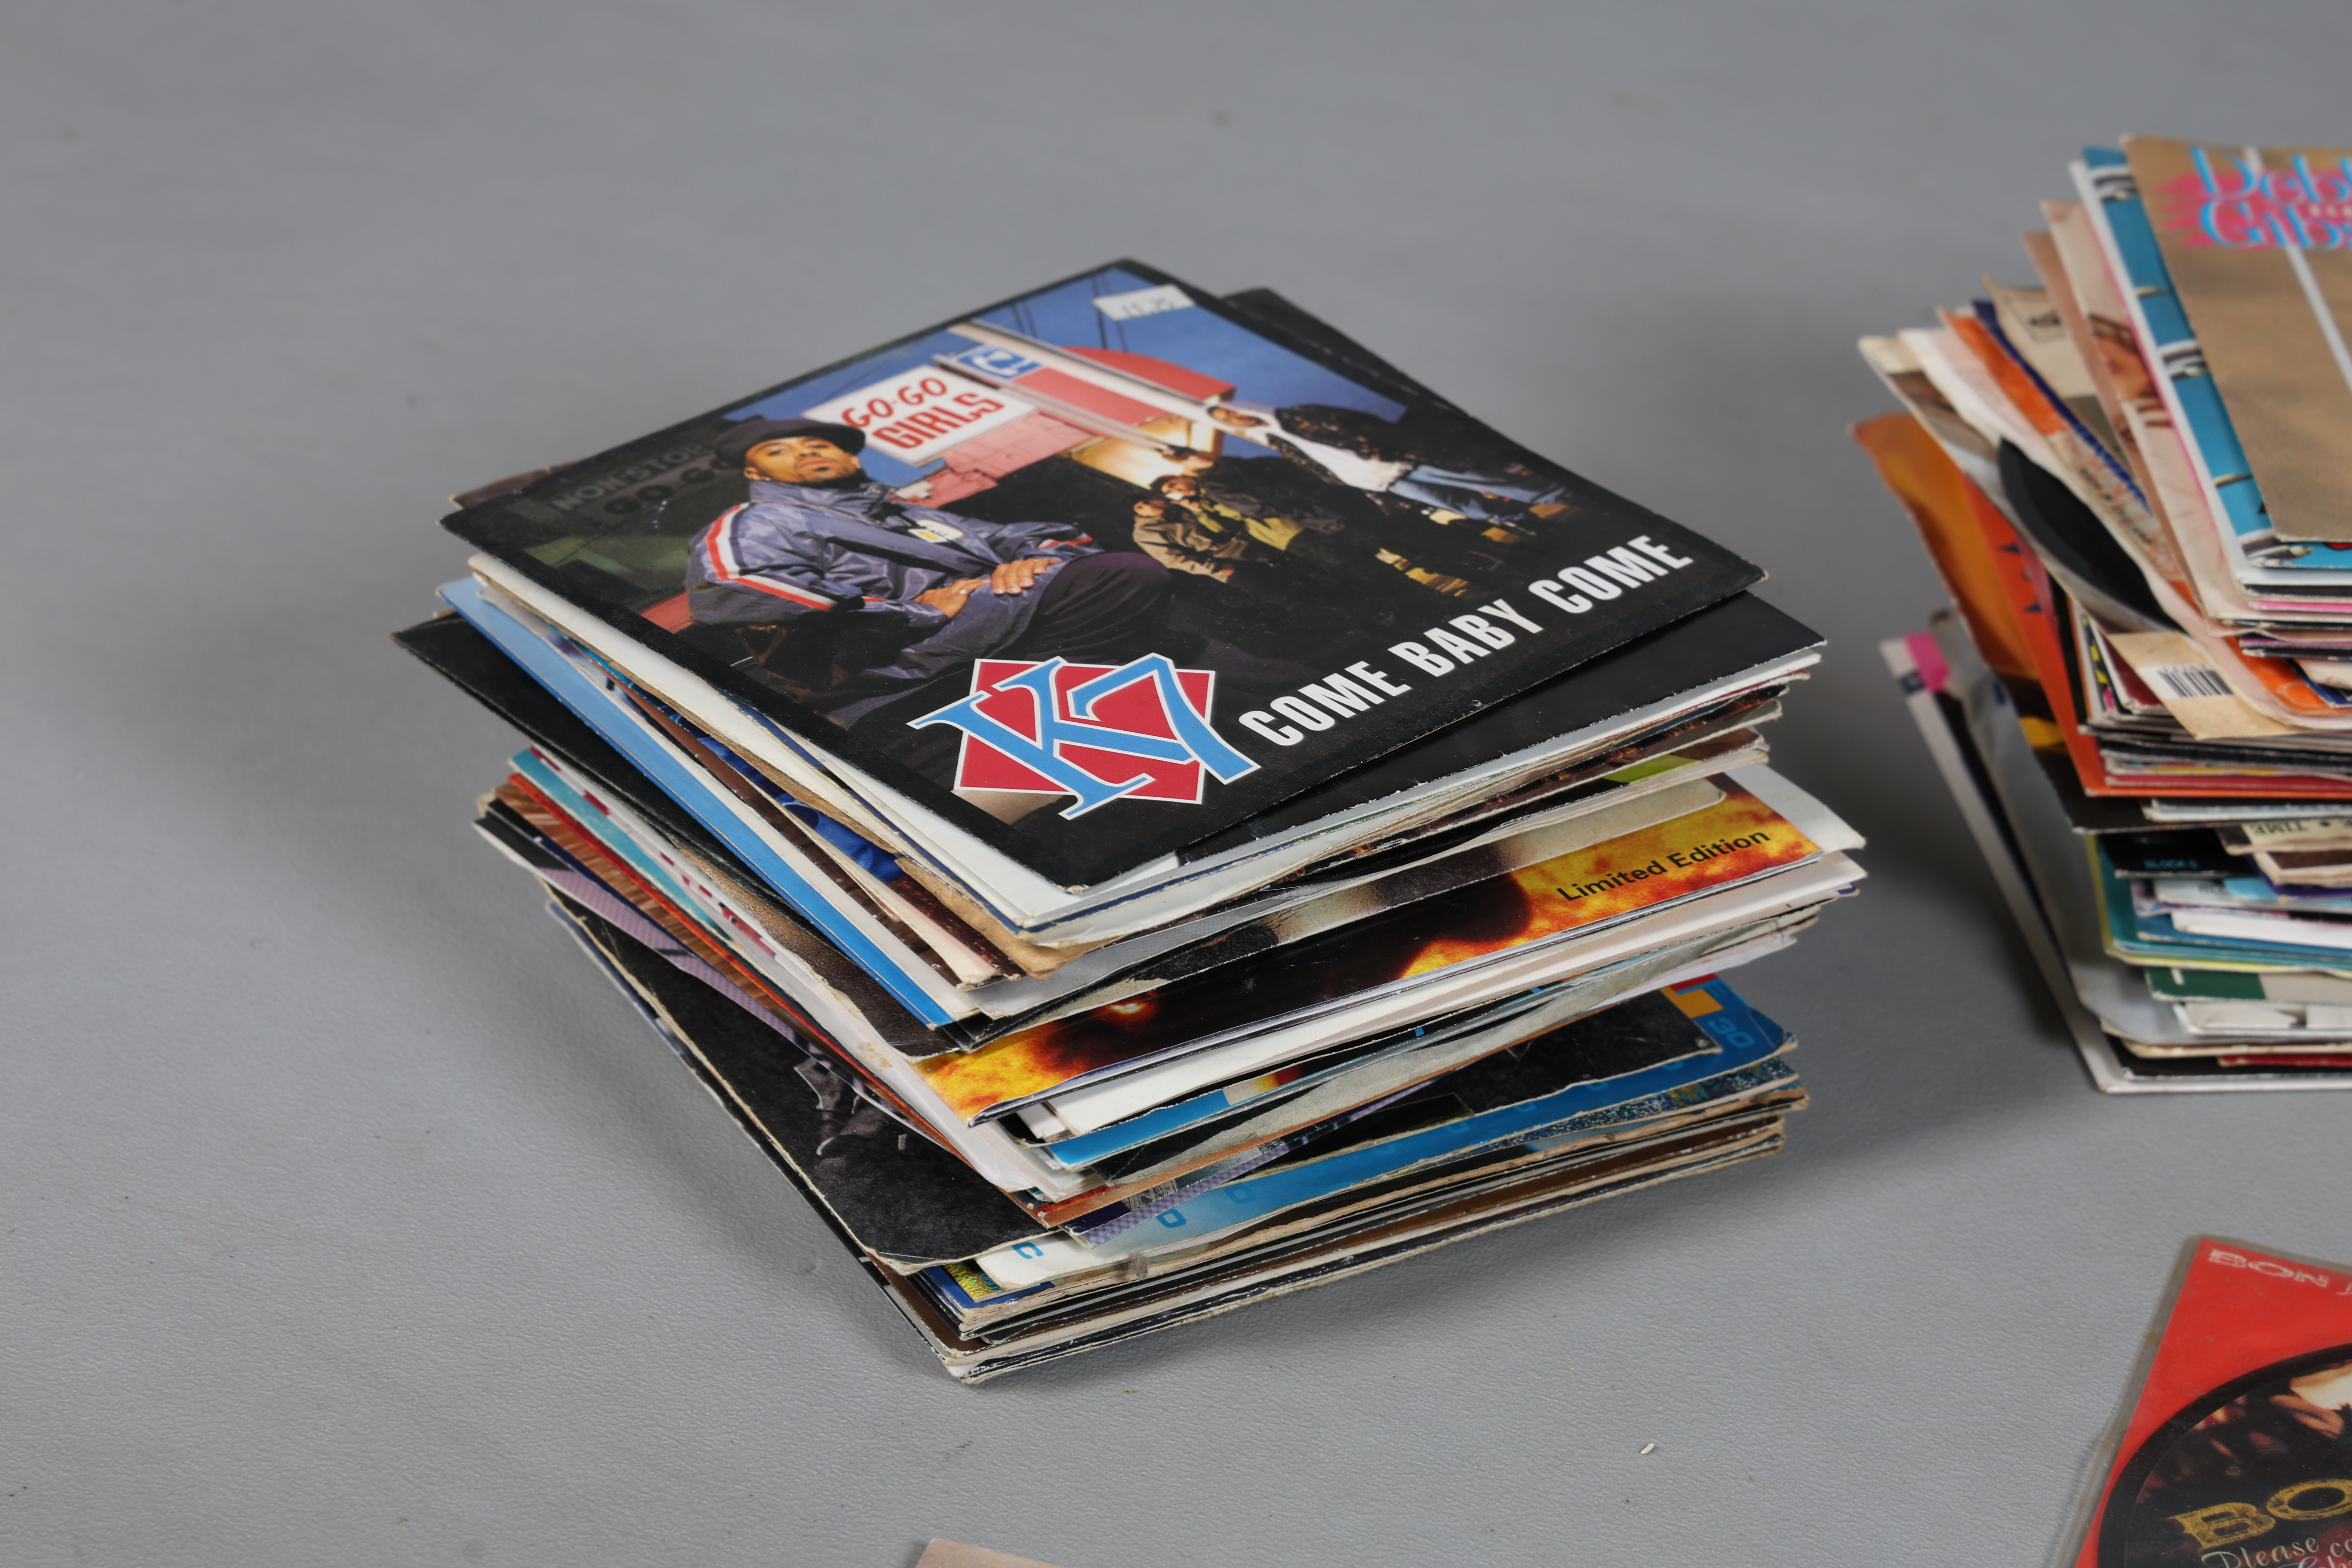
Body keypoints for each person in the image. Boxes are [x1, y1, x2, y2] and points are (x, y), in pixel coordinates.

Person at [684, 416, 1172, 728]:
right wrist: (914, 613)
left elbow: (1030, 536)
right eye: (777, 451)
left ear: (849, 457)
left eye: (817, 444)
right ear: (756, 475)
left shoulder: (907, 513)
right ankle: (1038, 694)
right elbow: (737, 586)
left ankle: (1041, 692)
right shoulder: (759, 521)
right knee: (1122, 575)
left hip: (984, 622)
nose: (806, 452)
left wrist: (1039, 560)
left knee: (1189, 639)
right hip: (891, 659)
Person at [1205, 400, 1567, 526]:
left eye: (1232, 413)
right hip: (1377, 480)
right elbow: (1316, 466)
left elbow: (1361, 424)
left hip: (1399, 460)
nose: (1235, 419)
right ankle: (1516, 520)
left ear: (1244, 408)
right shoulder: (1276, 441)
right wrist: (1345, 481)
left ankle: (1553, 496)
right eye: (1228, 421)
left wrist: (1378, 452)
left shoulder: (1298, 415)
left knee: (1480, 481)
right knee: (1452, 503)